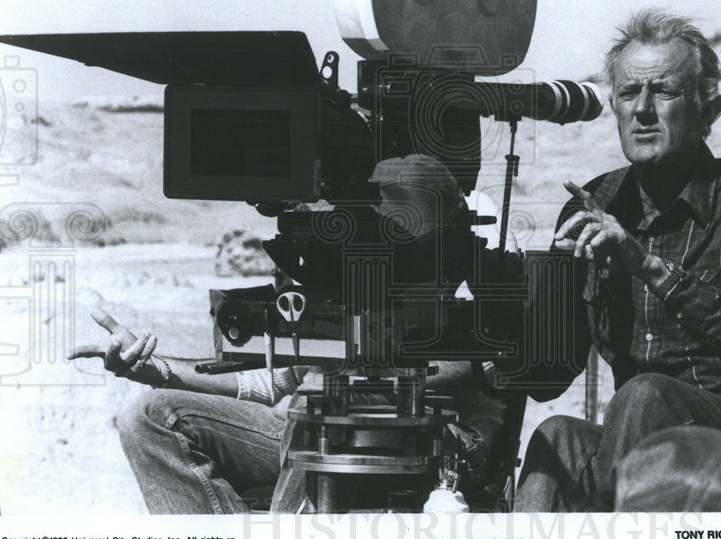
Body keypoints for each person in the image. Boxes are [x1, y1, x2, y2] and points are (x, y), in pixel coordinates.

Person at [514, 10, 721, 512]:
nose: (643, 109)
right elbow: (548, 378)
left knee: (646, 395)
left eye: (663, 91)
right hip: (643, 453)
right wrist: (511, 308)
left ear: (707, 111)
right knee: (557, 435)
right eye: (628, 94)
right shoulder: (595, 205)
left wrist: (648, 266)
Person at [70, 155, 509, 514]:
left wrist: (351, 366)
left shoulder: (472, 292)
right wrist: (157, 370)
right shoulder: (352, 287)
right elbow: (271, 381)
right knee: (149, 416)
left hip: (439, 451)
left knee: (322, 397)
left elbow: (459, 373)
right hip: (304, 430)